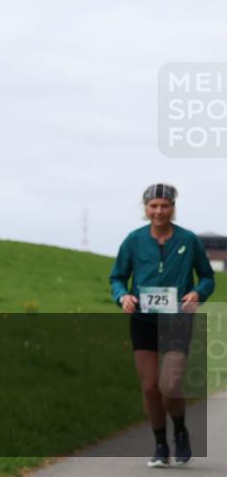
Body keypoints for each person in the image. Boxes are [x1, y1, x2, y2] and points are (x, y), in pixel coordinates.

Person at [109, 183, 216, 468]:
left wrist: (197, 293)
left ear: (173, 208)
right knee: (150, 388)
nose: (159, 211)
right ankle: (160, 444)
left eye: (164, 206)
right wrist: (123, 296)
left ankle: (180, 431)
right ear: (145, 209)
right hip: (143, 320)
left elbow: (207, 277)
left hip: (176, 320)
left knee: (170, 384)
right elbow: (117, 277)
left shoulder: (188, 240)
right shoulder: (133, 240)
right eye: (153, 206)